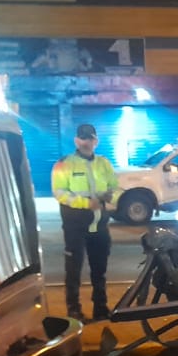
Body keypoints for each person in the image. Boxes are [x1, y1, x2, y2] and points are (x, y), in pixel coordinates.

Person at [52, 123, 120, 321]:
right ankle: (74, 309)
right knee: (73, 270)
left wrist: (109, 197)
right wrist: (85, 203)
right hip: (75, 226)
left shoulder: (104, 163)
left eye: (90, 139)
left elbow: (115, 187)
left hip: (99, 225)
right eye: (82, 138)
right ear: (76, 140)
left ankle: (101, 307)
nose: (86, 142)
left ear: (96, 142)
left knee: (100, 270)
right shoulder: (64, 164)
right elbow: (59, 192)